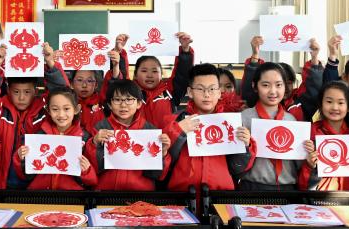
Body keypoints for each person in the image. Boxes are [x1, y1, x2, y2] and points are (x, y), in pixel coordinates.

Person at [0, 42, 69, 189]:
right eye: (16, 92)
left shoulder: (44, 110)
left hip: (36, 181)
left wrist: (50, 62)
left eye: (27, 92)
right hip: (4, 181)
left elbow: (63, 95)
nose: (21, 98)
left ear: (36, 91)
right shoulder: (1, 110)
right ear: (8, 90)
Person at [165, 63, 252, 191]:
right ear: (190, 92)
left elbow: (237, 170)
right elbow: (164, 165)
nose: (206, 94)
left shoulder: (231, 123)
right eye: (200, 89)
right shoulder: (176, 121)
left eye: (212, 89)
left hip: (220, 195)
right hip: (182, 194)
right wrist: (178, 132)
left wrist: (245, 146)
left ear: (219, 92)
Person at [87, 80, 172, 191]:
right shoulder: (101, 128)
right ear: (110, 105)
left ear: (139, 103)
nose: (123, 105)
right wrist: (94, 142)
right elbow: (92, 168)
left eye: (129, 99)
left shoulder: (149, 130)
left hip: (141, 193)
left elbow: (158, 175)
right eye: (117, 100)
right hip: (106, 192)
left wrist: (163, 153)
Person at [238, 62, 307, 190]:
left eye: (278, 85)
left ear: (285, 87)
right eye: (265, 85)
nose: (273, 91)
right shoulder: (244, 117)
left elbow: (298, 163)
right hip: (252, 188)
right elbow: (236, 164)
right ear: (254, 86)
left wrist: (307, 152)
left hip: (286, 188)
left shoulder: (291, 120)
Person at [14, 88, 97, 190]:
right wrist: (20, 158)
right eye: (55, 109)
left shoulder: (85, 138)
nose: (61, 114)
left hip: (72, 195)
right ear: (48, 110)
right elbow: (25, 176)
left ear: (76, 109)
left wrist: (87, 170)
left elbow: (93, 181)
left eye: (66, 109)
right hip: (40, 193)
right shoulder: (39, 136)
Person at [118, 33, 195, 129]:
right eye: (144, 71)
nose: (150, 75)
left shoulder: (170, 91)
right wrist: (119, 52)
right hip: (136, 138)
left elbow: (182, 75)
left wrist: (185, 50)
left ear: (161, 74)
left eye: (155, 71)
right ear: (135, 75)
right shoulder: (130, 92)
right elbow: (119, 78)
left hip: (167, 138)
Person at [240, 36, 323, 119]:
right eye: (266, 85)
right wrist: (255, 55)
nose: (273, 90)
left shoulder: (299, 101)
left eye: (288, 83)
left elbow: (313, 88)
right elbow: (250, 88)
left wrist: (314, 58)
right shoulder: (260, 100)